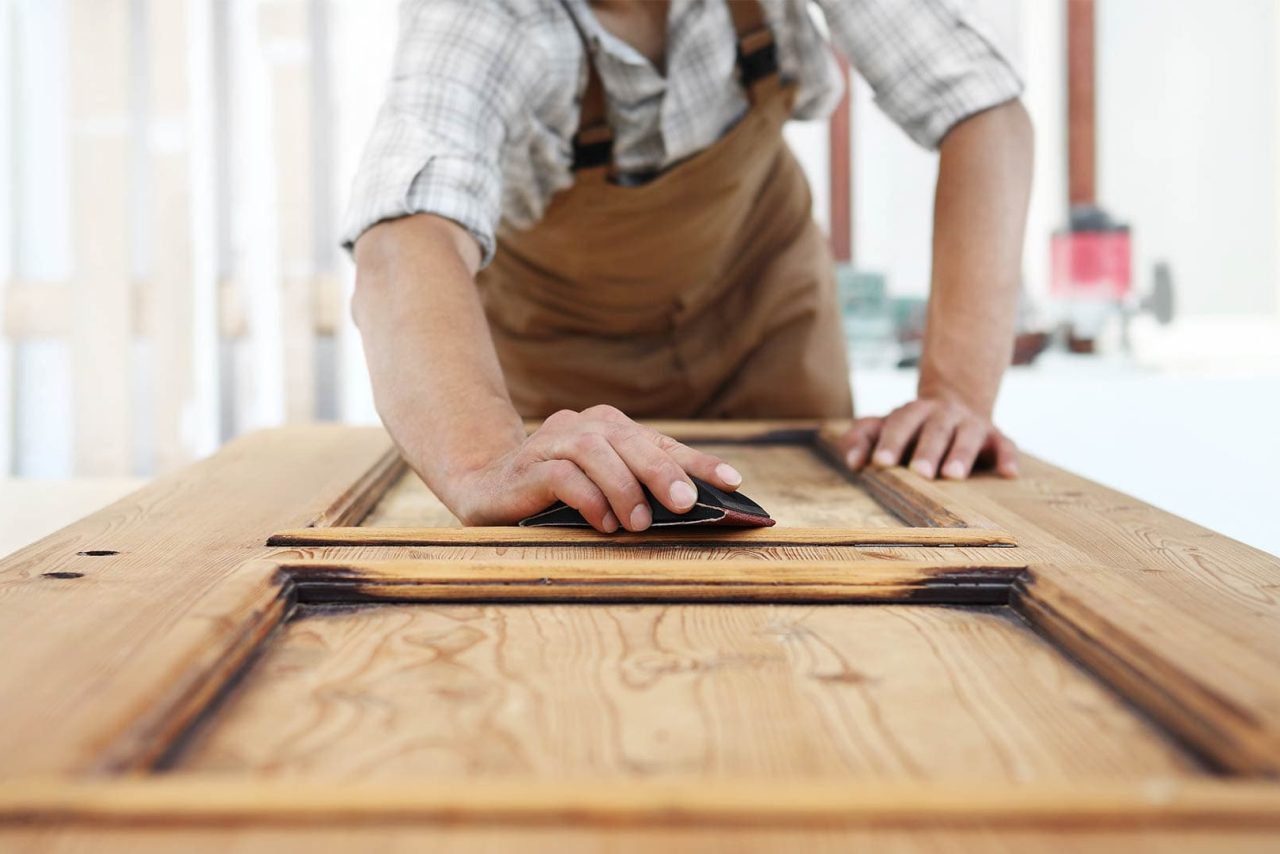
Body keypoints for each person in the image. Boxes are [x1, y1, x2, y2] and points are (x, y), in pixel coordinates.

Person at [344, 0, 1032, 533]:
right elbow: (405, 236)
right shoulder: (481, 15)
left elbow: (982, 113)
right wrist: (483, 461)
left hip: (765, 314)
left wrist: (956, 397)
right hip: (558, 360)